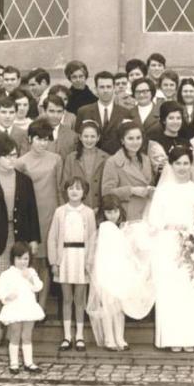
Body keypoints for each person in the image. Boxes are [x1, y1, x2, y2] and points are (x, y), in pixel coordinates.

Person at [0, 135, 41, 348]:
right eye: (7, 156)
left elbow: (32, 212)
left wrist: (33, 239)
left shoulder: (24, 180)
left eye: (14, 155)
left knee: (22, 286)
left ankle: (18, 333)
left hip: (20, 239)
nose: (12, 159)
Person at [149, 146, 194, 352]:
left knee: (192, 289)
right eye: (178, 163)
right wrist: (167, 228)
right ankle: (173, 338)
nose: (182, 167)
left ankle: (193, 337)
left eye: (186, 163)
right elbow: (153, 219)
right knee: (172, 290)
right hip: (168, 242)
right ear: (171, 164)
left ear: (191, 164)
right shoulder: (162, 191)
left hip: (192, 242)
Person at [16, 118, 64, 314]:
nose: (42, 143)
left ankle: (41, 306)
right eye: (38, 139)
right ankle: (28, 303)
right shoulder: (20, 162)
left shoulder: (56, 159)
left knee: (45, 261)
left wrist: (62, 214)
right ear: (29, 139)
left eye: (46, 139)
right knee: (29, 261)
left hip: (51, 214)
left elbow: (60, 188)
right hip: (29, 216)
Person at [48, 177, 97, 352]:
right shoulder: (60, 212)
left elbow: (92, 239)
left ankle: (80, 336)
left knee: (79, 299)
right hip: (65, 257)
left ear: (84, 192)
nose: (74, 191)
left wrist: (89, 261)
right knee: (67, 298)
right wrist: (54, 261)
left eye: (78, 188)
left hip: (81, 258)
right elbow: (53, 238)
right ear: (66, 191)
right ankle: (67, 336)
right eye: (70, 188)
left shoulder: (89, 213)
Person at [86, 195, 133, 351]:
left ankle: (120, 337)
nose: (112, 215)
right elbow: (100, 253)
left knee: (118, 308)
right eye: (108, 212)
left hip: (119, 271)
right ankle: (109, 338)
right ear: (103, 214)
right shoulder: (105, 228)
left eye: (115, 211)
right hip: (106, 271)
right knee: (107, 306)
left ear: (120, 211)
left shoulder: (121, 229)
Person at [0, 241, 45, 374]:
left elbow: (39, 286)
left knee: (27, 335)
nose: (23, 262)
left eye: (26, 259)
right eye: (19, 258)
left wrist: (30, 279)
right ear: (13, 259)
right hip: (14, 308)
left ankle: (29, 362)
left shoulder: (31, 272)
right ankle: (14, 363)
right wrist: (6, 297)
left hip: (28, 307)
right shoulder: (7, 274)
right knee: (15, 334)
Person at [101, 121, 155, 221]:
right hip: (127, 214)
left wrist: (150, 190)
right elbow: (106, 192)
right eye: (130, 138)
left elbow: (148, 183)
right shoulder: (113, 162)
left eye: (138, 138)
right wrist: (132, 190)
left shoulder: (146, 159)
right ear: (122, 140)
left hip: (147, 211)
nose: (135, 142)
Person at [75, 71, 133, 155]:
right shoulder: (83, 111)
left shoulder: (125, 113)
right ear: (95, 89)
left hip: (116, 160)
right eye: (102, 87)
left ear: (114, 88)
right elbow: (78, 138)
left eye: (109, 87)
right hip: (91, 160)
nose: (105, 90)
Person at [63, 120, 109, 211]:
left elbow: (108, 186)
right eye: (86, 136)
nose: (89, 140)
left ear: (98, 137)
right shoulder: (71, 158)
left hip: (100, 209)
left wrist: (100, 207)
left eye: (93, 136)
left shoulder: (106, 158)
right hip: (77, 208)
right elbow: (65, 185)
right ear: (80, 137)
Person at [148, 101, 191, 175]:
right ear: (164, 120)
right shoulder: (155, 143)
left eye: (178, 118)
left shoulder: (186, 142)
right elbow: (159, 170)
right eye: (171, 118)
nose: (175, 122)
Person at [41, 94, 78, 161]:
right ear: (44, 111)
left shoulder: (72, 136)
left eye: (59, 111)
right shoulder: (33, 133)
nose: (56, 115)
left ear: (64, 112)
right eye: (51, 111)